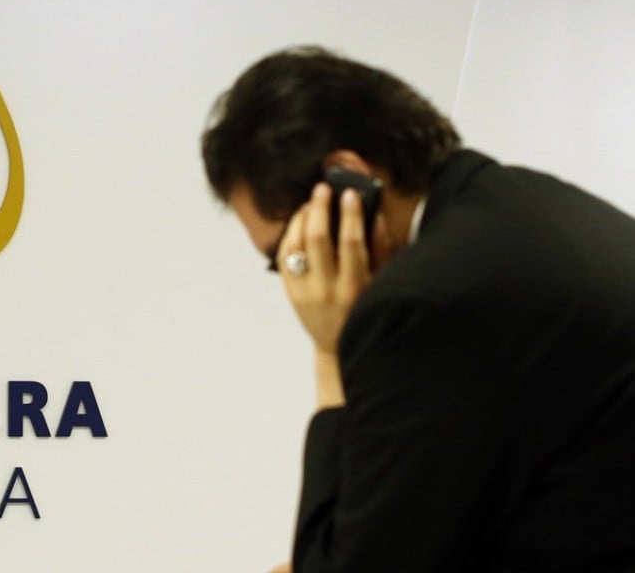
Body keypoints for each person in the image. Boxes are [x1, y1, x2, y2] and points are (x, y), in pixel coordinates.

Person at [200, 46, 635, 572]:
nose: (296, 279)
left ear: (347, 185)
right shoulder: (528, 211)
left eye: (285, 257)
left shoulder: (423, 306)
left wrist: (331, 352)